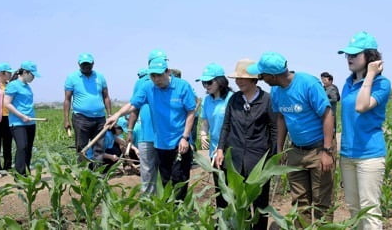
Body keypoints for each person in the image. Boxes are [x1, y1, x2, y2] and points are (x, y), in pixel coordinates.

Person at [247, 52, 335, 226]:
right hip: (296, 150)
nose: (260, 78)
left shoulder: (308, 84)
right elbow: (281, 117)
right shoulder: (276, 90)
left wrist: (327, 150)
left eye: (262, 74)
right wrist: (280, 149)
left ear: (272, 75)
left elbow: (327, 114)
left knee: (321, 203)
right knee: (299, 202)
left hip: (319, 149)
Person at [106, 56, 196, 201]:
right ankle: (169, 213)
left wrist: (185, 137)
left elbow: (191, 111)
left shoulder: (182, 86)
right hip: (161, 143)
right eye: (153, 76)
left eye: (159, 75)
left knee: (179, 179)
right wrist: (116, 115)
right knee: (166, 181)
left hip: (180, 143)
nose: (156, 79)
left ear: (168, 72)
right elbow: (133, 104)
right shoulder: (148, 88)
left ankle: (181, 213)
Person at [214, 59, 277, 229]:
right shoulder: (234, 99)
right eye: (237, 78)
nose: (238, 81)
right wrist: (220, 149)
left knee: (260, 203)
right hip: (234, 160)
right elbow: (226, 126)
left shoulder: (267, 100)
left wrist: (273, 158)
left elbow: (274, 129)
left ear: (253, 79)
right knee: (236, 202)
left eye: (242, 78)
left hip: (258, 160)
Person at [338, 31, 391, 229]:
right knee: (353, 208)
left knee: (369, 210)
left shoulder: (382, 84)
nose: (349, 58)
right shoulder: (347, 83)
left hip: (369, 155)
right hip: (347, 155)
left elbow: (361, 106)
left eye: (355, 55)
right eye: (347, 55)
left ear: (370, 57)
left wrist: (369, 74)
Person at [196, 63, 233, 208]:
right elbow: (205, 122)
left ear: (220, 81)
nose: (206, 86)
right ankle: (221, 217)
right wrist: (203, 134)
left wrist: (223, 146)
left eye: (209, 82)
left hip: (230, 150)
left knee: (231, 186)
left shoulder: (232, 98)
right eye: (204, 83)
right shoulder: (206, 100)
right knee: (219, 186)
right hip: (214, 150)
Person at [63, 53, 111, 162]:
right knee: (81, 147)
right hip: (81, 118)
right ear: (79, 64)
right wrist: (66, 120)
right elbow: (67, 99)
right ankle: (82, 173)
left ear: (93, 64)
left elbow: (106, 97)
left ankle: (97, 174)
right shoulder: (72, 78)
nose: (86, 66)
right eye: (83, 64)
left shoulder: (100, 77)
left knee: (99, 148)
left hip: (100, 118)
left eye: (88, 64)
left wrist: (109, 115)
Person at [3, 61, 41, 175]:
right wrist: (22, 116)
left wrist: (28, 117)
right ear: (25, 72)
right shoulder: (13, 85)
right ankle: (20, 176)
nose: (33, 77)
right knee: (22, 147)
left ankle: (27, 172)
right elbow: (7, 103)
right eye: (32, 74)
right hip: (17, 122)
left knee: (28, 148)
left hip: (30, 122)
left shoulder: (28, 87)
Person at [127, 66, 157, 195]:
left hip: (162, 135)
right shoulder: (142, 84)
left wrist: (129, 130)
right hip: (147, 134)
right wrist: (129, 130)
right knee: (148, 169)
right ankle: (149, 201)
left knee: (149, 170)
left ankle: (157, 199)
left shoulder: (169, 83)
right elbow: (134, 107)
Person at [0, 63, 15, 177]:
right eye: (8, 72)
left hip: (8, 117)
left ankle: (8, 166)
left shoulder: (10, 85)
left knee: (7, 143)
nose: (10, 74)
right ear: (2, 73)